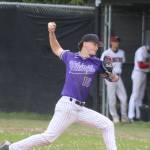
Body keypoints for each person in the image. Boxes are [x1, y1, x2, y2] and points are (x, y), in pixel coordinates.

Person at [0, 22, 118, 150]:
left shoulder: (97, 62)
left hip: (81, 109)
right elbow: (56, 48)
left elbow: (113, 78)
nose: (97, 47)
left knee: (107, 125)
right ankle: (11, 148)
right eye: (95, 44)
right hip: (67, 105)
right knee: (48, 138)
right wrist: (51, 33)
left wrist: (111, 74)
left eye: (98, 46)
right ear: (85, 43)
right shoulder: (70, 57)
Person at [101, 36, 128, 123]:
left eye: (117, 41)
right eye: (115, 41)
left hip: (118, 76)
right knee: (112, 99)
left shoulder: (122, 52)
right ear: (111, 42)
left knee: (124, 97)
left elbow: (121, 63)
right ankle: (115, 117)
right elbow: (102, 65)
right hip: (110, 77)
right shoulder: (107, 53)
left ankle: (124, 117)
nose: (116, 43)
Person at [128, 42, 150, 122]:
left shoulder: (147, 51)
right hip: (138, 73)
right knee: (135, 95)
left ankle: (139, 116)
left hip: (144, 74)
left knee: (140, 96)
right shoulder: (140, 51)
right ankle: (130, 116)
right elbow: (141, 65)